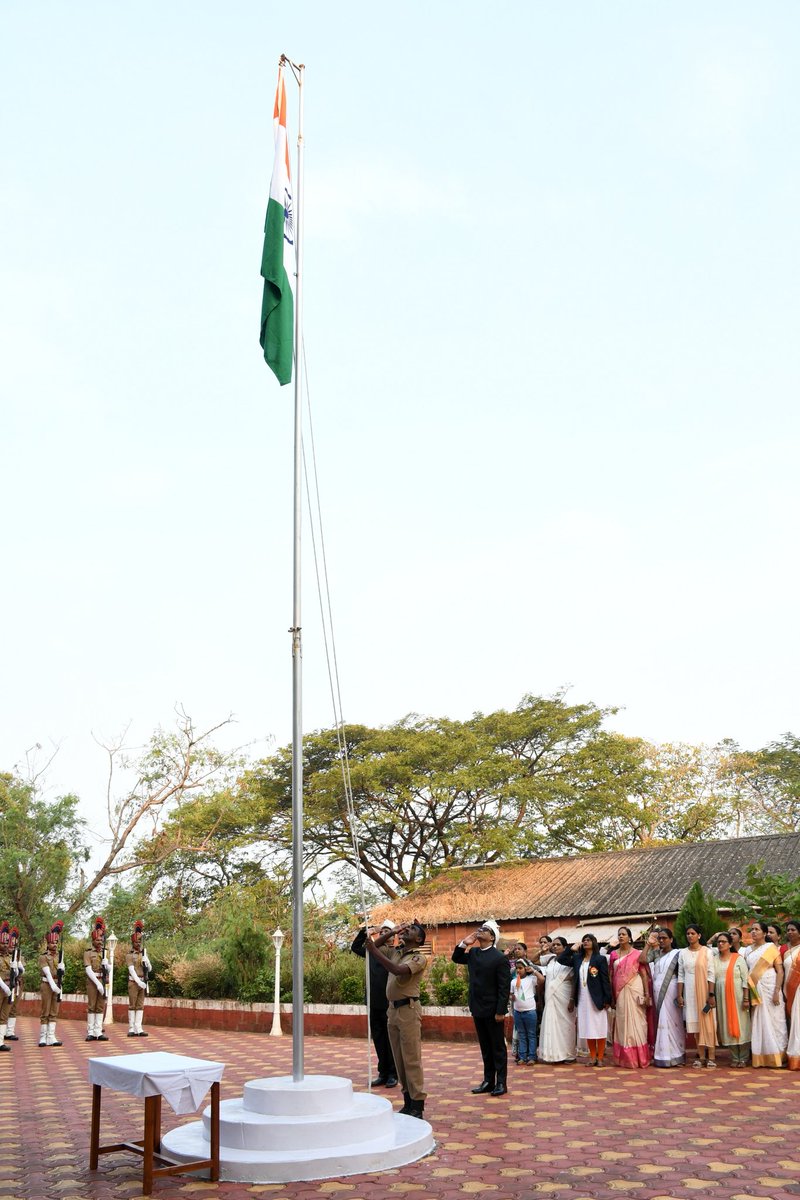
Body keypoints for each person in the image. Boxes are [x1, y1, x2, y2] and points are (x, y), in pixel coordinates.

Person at [365, 920, 428, 1118]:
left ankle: (417, 1104)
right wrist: (393, 931)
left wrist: (375, 953)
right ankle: (407, 1100)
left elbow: (398, 971)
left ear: (418, 939)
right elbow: (373, 945)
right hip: (392, 1011)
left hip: (408, 1010)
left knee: (411, 1059)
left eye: (411, 930)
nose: (406, 930)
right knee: (399, 1059)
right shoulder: (397, 952)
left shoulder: (418, 957)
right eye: (405, 928)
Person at [452, 919, 512, 1096]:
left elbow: (504, 987)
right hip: (477, 1007)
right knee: (485, 1047)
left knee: (497, 1048)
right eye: (479, 928)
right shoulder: (474, 952)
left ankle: (501, 1082)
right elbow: (456, 958)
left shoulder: (499, 958)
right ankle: (488, 1081)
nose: (479, 931)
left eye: (484, 929)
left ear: (492, 937)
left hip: (493, 1010)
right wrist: (464, 943)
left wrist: (501, 1011)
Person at [351, 920, 397, 1087]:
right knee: (378, 1038)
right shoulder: (371, 951)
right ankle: (383, 1072)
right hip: (373, 1001)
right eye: (382, 931)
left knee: (390, 1039)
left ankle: (393, 1073)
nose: (384, 934)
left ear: (394, 936)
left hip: (389, 1002)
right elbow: (355, 947)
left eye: (388, 932)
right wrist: (368, 930)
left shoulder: (395, 952)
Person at [743, 919, 787, 1068]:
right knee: (759, 1020)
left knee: (776, 1020)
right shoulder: (747, 950)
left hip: (771, 985)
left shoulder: (771, 948)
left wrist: (777, 991)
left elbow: (780, 971)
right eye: (752, 929)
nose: (753, 932)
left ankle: (778, 1054)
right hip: (756, 988)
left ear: (764, 933)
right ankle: (762, 1056)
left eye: (757, 929)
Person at [640, 928, 684, 1068]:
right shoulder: (656, 953)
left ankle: (676, 1055)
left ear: (671, 939)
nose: (661, 941)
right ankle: (662, 1055)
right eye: (659, 938)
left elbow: (682, 975)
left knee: (673, 1022)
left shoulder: (678, 954)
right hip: (657, 990)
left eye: (664, 938)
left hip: (671, 990)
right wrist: (648, 943)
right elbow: (642, 959)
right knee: (661, 1022)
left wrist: (680, 994)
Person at [609, 926, 651, 1068]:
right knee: (622, 1021)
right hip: (619, 992)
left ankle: (639, 1058)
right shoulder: (614, 954)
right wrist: (611, 996)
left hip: (635, 989)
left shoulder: (636, 953)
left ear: (629, 937)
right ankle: (625, 1058)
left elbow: (644, 974)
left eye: (624, 934)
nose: (621, 936)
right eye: (619, 934)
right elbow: (611, 975)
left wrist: (646, 994)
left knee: (638, 1022)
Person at [677, 924, 717, 1068]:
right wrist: (679, 995)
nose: (690, 936)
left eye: (693, 933)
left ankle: (711, 1057)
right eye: (688, 933)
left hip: (705, 991)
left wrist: (711, 994)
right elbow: (680, 975)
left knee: (708, 1024)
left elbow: (712, 973)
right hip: (690, 993)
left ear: (699, 935)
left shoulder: (707, 952)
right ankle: (701, 1057)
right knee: (695, 1025)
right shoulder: (682, 953)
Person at [569, 933, 611, 1066]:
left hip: (597, 997)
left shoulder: (600, 959)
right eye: (584, 940)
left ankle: (600, 1057)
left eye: (588, 940)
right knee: (588, 1027)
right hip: (582, 997)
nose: (586, 942)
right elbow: (562, 959)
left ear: (594, 942)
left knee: (599, 1027)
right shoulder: (577, 959)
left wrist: (607, 998)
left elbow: (605, 980)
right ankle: (592, 1057)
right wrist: (571, 949)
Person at [712, 931, 751, 1066]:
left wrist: (746, 999)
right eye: (719, 942)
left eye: (723, 942)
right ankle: (735, 1057)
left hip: (738, 997)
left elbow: (745, 979)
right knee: (726, 1024)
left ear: (730, 944)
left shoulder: (738, 958)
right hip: (722, 997)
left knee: (742, 1025)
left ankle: (744, 1057)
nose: (720, 944)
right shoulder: (714, 959)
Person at [538, 936, 576, 1064]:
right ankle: (554, 1055)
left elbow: (573, 980)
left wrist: (572, 999)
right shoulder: (550, 960)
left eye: (558, 945)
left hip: (565, 997)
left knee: (566, 1025)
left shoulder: (570, 960)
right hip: (551, 997)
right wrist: (542, 950)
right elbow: (531, 962)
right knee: (552, 1024)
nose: (554, 947)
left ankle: (569, 1054)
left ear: (565, 947)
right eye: (553, 945)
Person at [83, 915, 110, 1043]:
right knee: (92, 1006)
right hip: (93, 982)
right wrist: (97, 984)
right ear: (93, 940)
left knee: (100, 1006)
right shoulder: (88, 952)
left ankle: (98, 1031)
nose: (100, 941)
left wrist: (107, 965)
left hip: (103, 981)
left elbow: (109, 970)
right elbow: (88, 969)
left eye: (101, 939)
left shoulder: (105, 952)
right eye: (98, 939)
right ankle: (90, 1032)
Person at [509, 952, 538, 1065]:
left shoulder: (531, 979)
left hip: (530, 1011)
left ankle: (532, 1056)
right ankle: (522, 1056)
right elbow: (510, 994)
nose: (518, 971)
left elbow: (542, 980)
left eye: (521, 968)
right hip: (518, 1011)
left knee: (531, 1034)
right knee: (521, 1034)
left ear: (526, 968)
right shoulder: (513, 981)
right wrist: (512, 997)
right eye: (517, 968)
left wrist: (533, 970)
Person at [39, 920, 64, 1047]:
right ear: (47, 944)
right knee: (46, 1011)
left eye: (56, 942)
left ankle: (51, 1036)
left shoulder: (60, 956)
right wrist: (53, 986)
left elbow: (60, 973)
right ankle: (43, 1037)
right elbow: (47, 973)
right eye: (52, 942)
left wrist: (62, 969)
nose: (54, 944)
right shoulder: (43, 956)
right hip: (47, 985)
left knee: (54, 1011)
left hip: (57, 984)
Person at [126, 919, 151, 1037]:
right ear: (133, 942)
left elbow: (150, 969)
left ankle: (139, 1027)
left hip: (143, 981)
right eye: (137, 942)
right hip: (133, 982)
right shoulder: (130, 954)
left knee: (140, 1005)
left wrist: (147, 962)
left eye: (140, 941)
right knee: (132, 1005)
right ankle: (131, 1028)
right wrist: (138, 982)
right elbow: (131, 970)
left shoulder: (144, 954)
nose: (139, 944)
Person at [783, 919, 800, 1071]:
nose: (790, 932)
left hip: (799, 989)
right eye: (788, 930)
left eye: (793, 930)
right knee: (794, 1022)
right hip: (788, 990)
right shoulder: (784, 950)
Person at [5, 927, 23, 1042]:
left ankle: (9, 1031)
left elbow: (22, 970)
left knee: (13, 1008)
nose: (12, 947)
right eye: (11, 945)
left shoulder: (17, 956)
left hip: (17, 984)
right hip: (5, 984)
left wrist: (18, 965)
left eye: (14, 945)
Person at [0, 922, 13, 1052]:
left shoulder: (10, 957)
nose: (4, 945)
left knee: (4, 1015)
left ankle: (0, 1041)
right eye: (2, 943)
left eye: (6, 943)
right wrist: (4, 986)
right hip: (1, 987)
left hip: (9, 988)